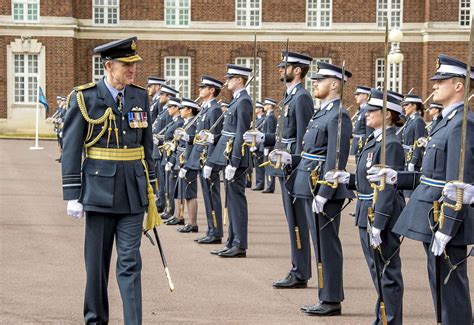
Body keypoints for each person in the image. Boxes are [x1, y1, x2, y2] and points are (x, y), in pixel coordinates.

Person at [61, 36, 156, 324]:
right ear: (108, 65)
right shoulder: (85, 97)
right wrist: (72, 193)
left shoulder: (140, 96)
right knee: (97, 267)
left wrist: (152, 188)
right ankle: (95, 320)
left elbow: (146, 147)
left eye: (134, 65)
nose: (132, 70)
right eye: (126, 65)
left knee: (130, 263)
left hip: (132, 193)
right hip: (99, 192)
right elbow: (72, 146)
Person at [390, 54, 474, 324]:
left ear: (459, 86)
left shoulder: (463, 123)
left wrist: (447, 228)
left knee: (451, 287)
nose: (434, 85)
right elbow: (431, 175)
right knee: (439, 285)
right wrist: (397, 177)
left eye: (441, 80)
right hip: (431, 213)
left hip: (445, 219)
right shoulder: (443, 122)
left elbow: (457, 186)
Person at [276, 61, 353, 316]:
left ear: (334, 84)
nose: (315, 84)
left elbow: (335, 159)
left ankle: (331, 298)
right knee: (319, 243)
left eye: (320, 81)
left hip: (321, 189)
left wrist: (325, 192)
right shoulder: (322, 113)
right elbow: (310, 153)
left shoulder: (338, 114)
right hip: (308, 185)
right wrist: (292, 160)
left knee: (327, 244)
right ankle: (325, 295)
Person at [244, 51, 314, 287]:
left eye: (285, 66)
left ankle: (301, 271)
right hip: (285, 165)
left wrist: (295, 163)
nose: (279, 69)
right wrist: (264, 137)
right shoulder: (290, 97)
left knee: (298, 221)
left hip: (293, 166)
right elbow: (285, 135)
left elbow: (304, 139)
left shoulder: (302, 98)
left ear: (297, 70)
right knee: (292, 219)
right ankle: (297, 267)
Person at [340, 89, 406, 324]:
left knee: (387, 273)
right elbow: (368, 180)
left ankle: (390, 321)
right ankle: (383, 318)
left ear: (388, 115)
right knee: (377, 271)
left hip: (380, 214)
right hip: (366, 211)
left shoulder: (391, 144)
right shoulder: (374, 140)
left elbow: (387, 187)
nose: (366, 114)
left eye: (372, 110)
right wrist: (347, 179)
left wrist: (378, 223)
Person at [203, 64, 253, 258]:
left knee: (236, 201)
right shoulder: (236, 101)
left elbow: (241, 133)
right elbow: (228, 132)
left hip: (237, 159)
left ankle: (239, 244)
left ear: (239, 80)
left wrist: (234, 161)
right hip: (229, 155)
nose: (227, 81)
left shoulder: (244, 102)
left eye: (230, 78)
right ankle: (232, 241)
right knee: (230, 201)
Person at [188, 75, 225, 244]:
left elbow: (215, 137)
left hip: (209, 158)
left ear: (211, 90)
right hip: (202, 158)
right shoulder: (206, 109)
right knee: (208, 196)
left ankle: (216, 231)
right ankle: (211, 229)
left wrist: (210, 161)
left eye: (204, 87)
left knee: (212, 196)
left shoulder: (215, 109)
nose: (200, 89)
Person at [171, 98, 201, 232]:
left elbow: (193, 145)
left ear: (189, 110)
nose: (180, 110)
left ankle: (193, 223)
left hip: (190, 161)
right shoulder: (187, 124)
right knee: (183, 192)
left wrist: (188, 164)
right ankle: (188, 222)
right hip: (183, 160)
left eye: (183, 108)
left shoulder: (192, 125)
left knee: (190, 193)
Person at [152, 84, 179, 215]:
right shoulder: (163, 111)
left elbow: (169, 132)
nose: (159, 96)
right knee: (161, 180)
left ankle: (164, 204)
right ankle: (162, 202)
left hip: (163, 150)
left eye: (162, 95)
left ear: (168, 97)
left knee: (164, 181)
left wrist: (160, 140)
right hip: (158, 150)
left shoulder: (168, 113)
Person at [400, 94, 427, 172]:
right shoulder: (411, 119)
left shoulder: (418, 120)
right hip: (407, 157)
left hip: (413, 159)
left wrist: (413, 161)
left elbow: (418, 142)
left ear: (414, 106)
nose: (404, 107)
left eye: (406, 104)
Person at [350, 85, 373, 160]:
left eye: (358, 94)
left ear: (366, 96)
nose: (355, 96)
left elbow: (369, 132)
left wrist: (366, 146)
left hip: (362, 144)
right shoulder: (361, 109)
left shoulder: (367, 110)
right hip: (356, 143)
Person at [261, 98, 277, 193]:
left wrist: (267, 146)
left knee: (269, 165)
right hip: (267, 144)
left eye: (266, 104)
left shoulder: (270, 117)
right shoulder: (269, 116)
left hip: (269, 145)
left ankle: (270, 186)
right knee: (266, 164)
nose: (264, 106)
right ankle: (269, 185)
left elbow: (270, 133)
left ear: (270, 106)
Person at [252, 101, 266, 191]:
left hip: (260, 146)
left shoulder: (265, 119)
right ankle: (258, 183)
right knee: (257, 166)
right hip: (254, 145)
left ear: (261, 109)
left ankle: (260, 184)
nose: (255, 109)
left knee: (260, 166)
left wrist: (257, 146)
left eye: (257, 108)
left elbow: (263, 134)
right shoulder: (257, 120)